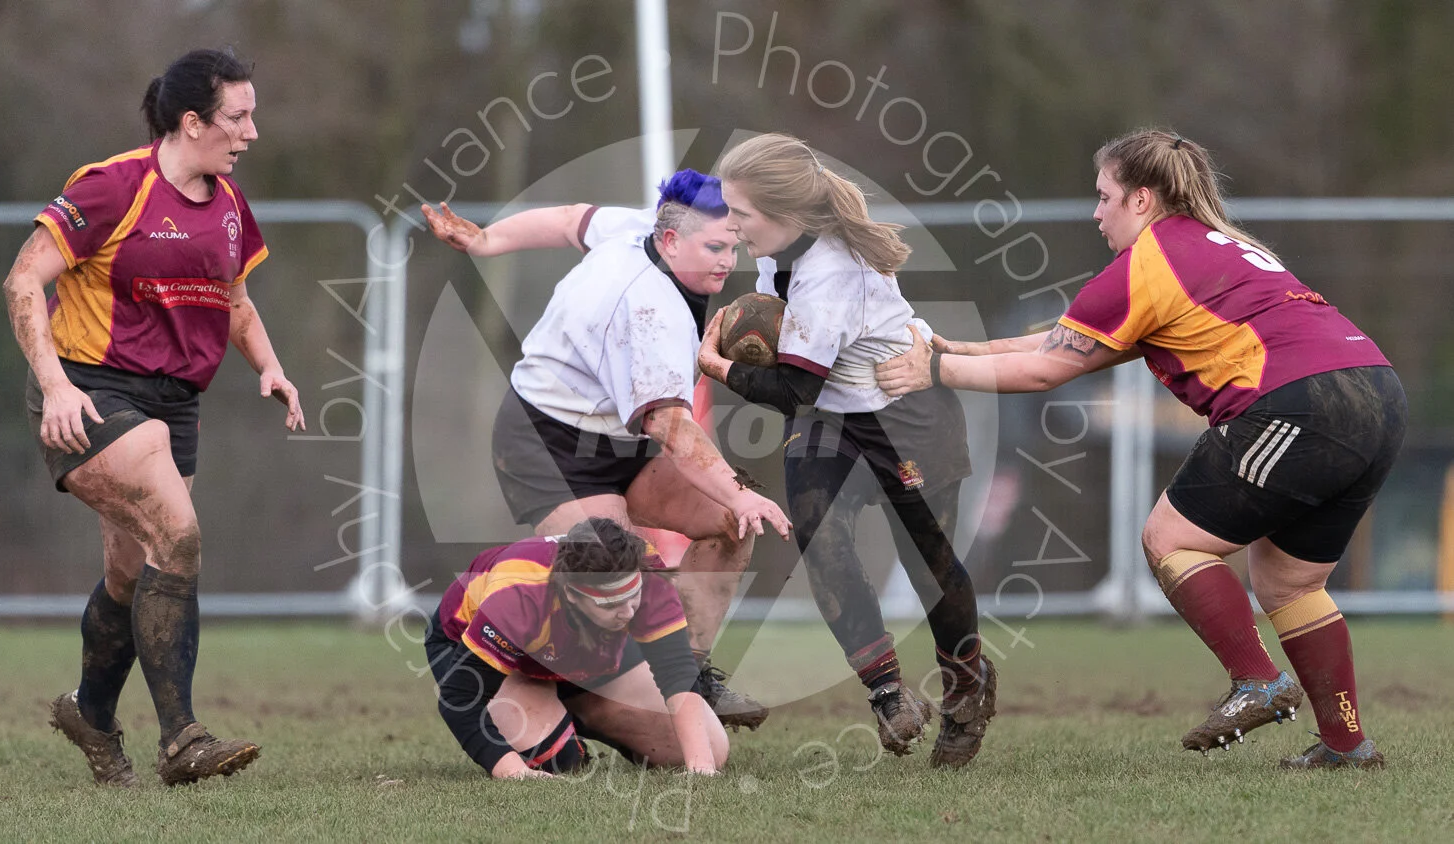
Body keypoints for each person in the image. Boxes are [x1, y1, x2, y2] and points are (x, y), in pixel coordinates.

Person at [876, 128, 1403, 770]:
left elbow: (1046, 373)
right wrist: (951, 350)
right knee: (1289, 581)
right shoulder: (1214, 247)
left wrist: (932, 373)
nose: (1096, 212)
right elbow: (1060, 346)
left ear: (1143, 198)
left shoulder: (1146, 266)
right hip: (1376, 391)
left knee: (1169, 538)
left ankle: (1257, 679)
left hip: (1298, 402)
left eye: (1104, 197)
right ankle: (1348, 745)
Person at [2, 48, 305, 787]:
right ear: (192, 120)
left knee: (131, 573)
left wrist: (268, 365)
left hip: (174, 406)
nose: (252, 132)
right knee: (180, 535)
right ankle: (183, 741)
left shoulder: (229, 203)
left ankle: (91, 712)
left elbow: (234, 300)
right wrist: (56, 385)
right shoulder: (112, 186)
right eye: (239, 116)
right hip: (91, 391)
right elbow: (22, 278)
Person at [421, 171, 792, 731]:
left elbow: (572, 218)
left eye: (732, 246)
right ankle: (517, 687)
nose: (726, 261)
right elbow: (671, 426)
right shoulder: (648, 310)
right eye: (715, 248)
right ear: (671, 241)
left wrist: (487, 240)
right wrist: (740, 493)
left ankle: (685, 673)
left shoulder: (643, 227)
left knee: (728, 524)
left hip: (621, 440)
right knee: (617, 572)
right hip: (547, 444)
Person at [694, 133, 997, 768]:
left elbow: (791, 387)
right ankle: (888, 692)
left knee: (928, 568)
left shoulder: (830, 272)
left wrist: (716, 365)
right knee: (817, 531)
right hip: (834, 415)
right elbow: (807, 384)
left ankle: (968, 688)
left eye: (741, 214)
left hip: (906, 418)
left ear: (786, 212)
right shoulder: (782, 251)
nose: (733, 226)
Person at [424, 517, 729, 778]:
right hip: (486, 652)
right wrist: (514, 772)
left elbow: (676, 670)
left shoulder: (644, 570)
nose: (627, 613)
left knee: (713, 750)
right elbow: (459, 698)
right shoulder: (519, 597)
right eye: (610, 603)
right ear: (572, 594)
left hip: (578, 651)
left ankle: (582, 713)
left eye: (632, 595)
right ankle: (556, 719)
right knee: (560, 760)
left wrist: (700, 768)